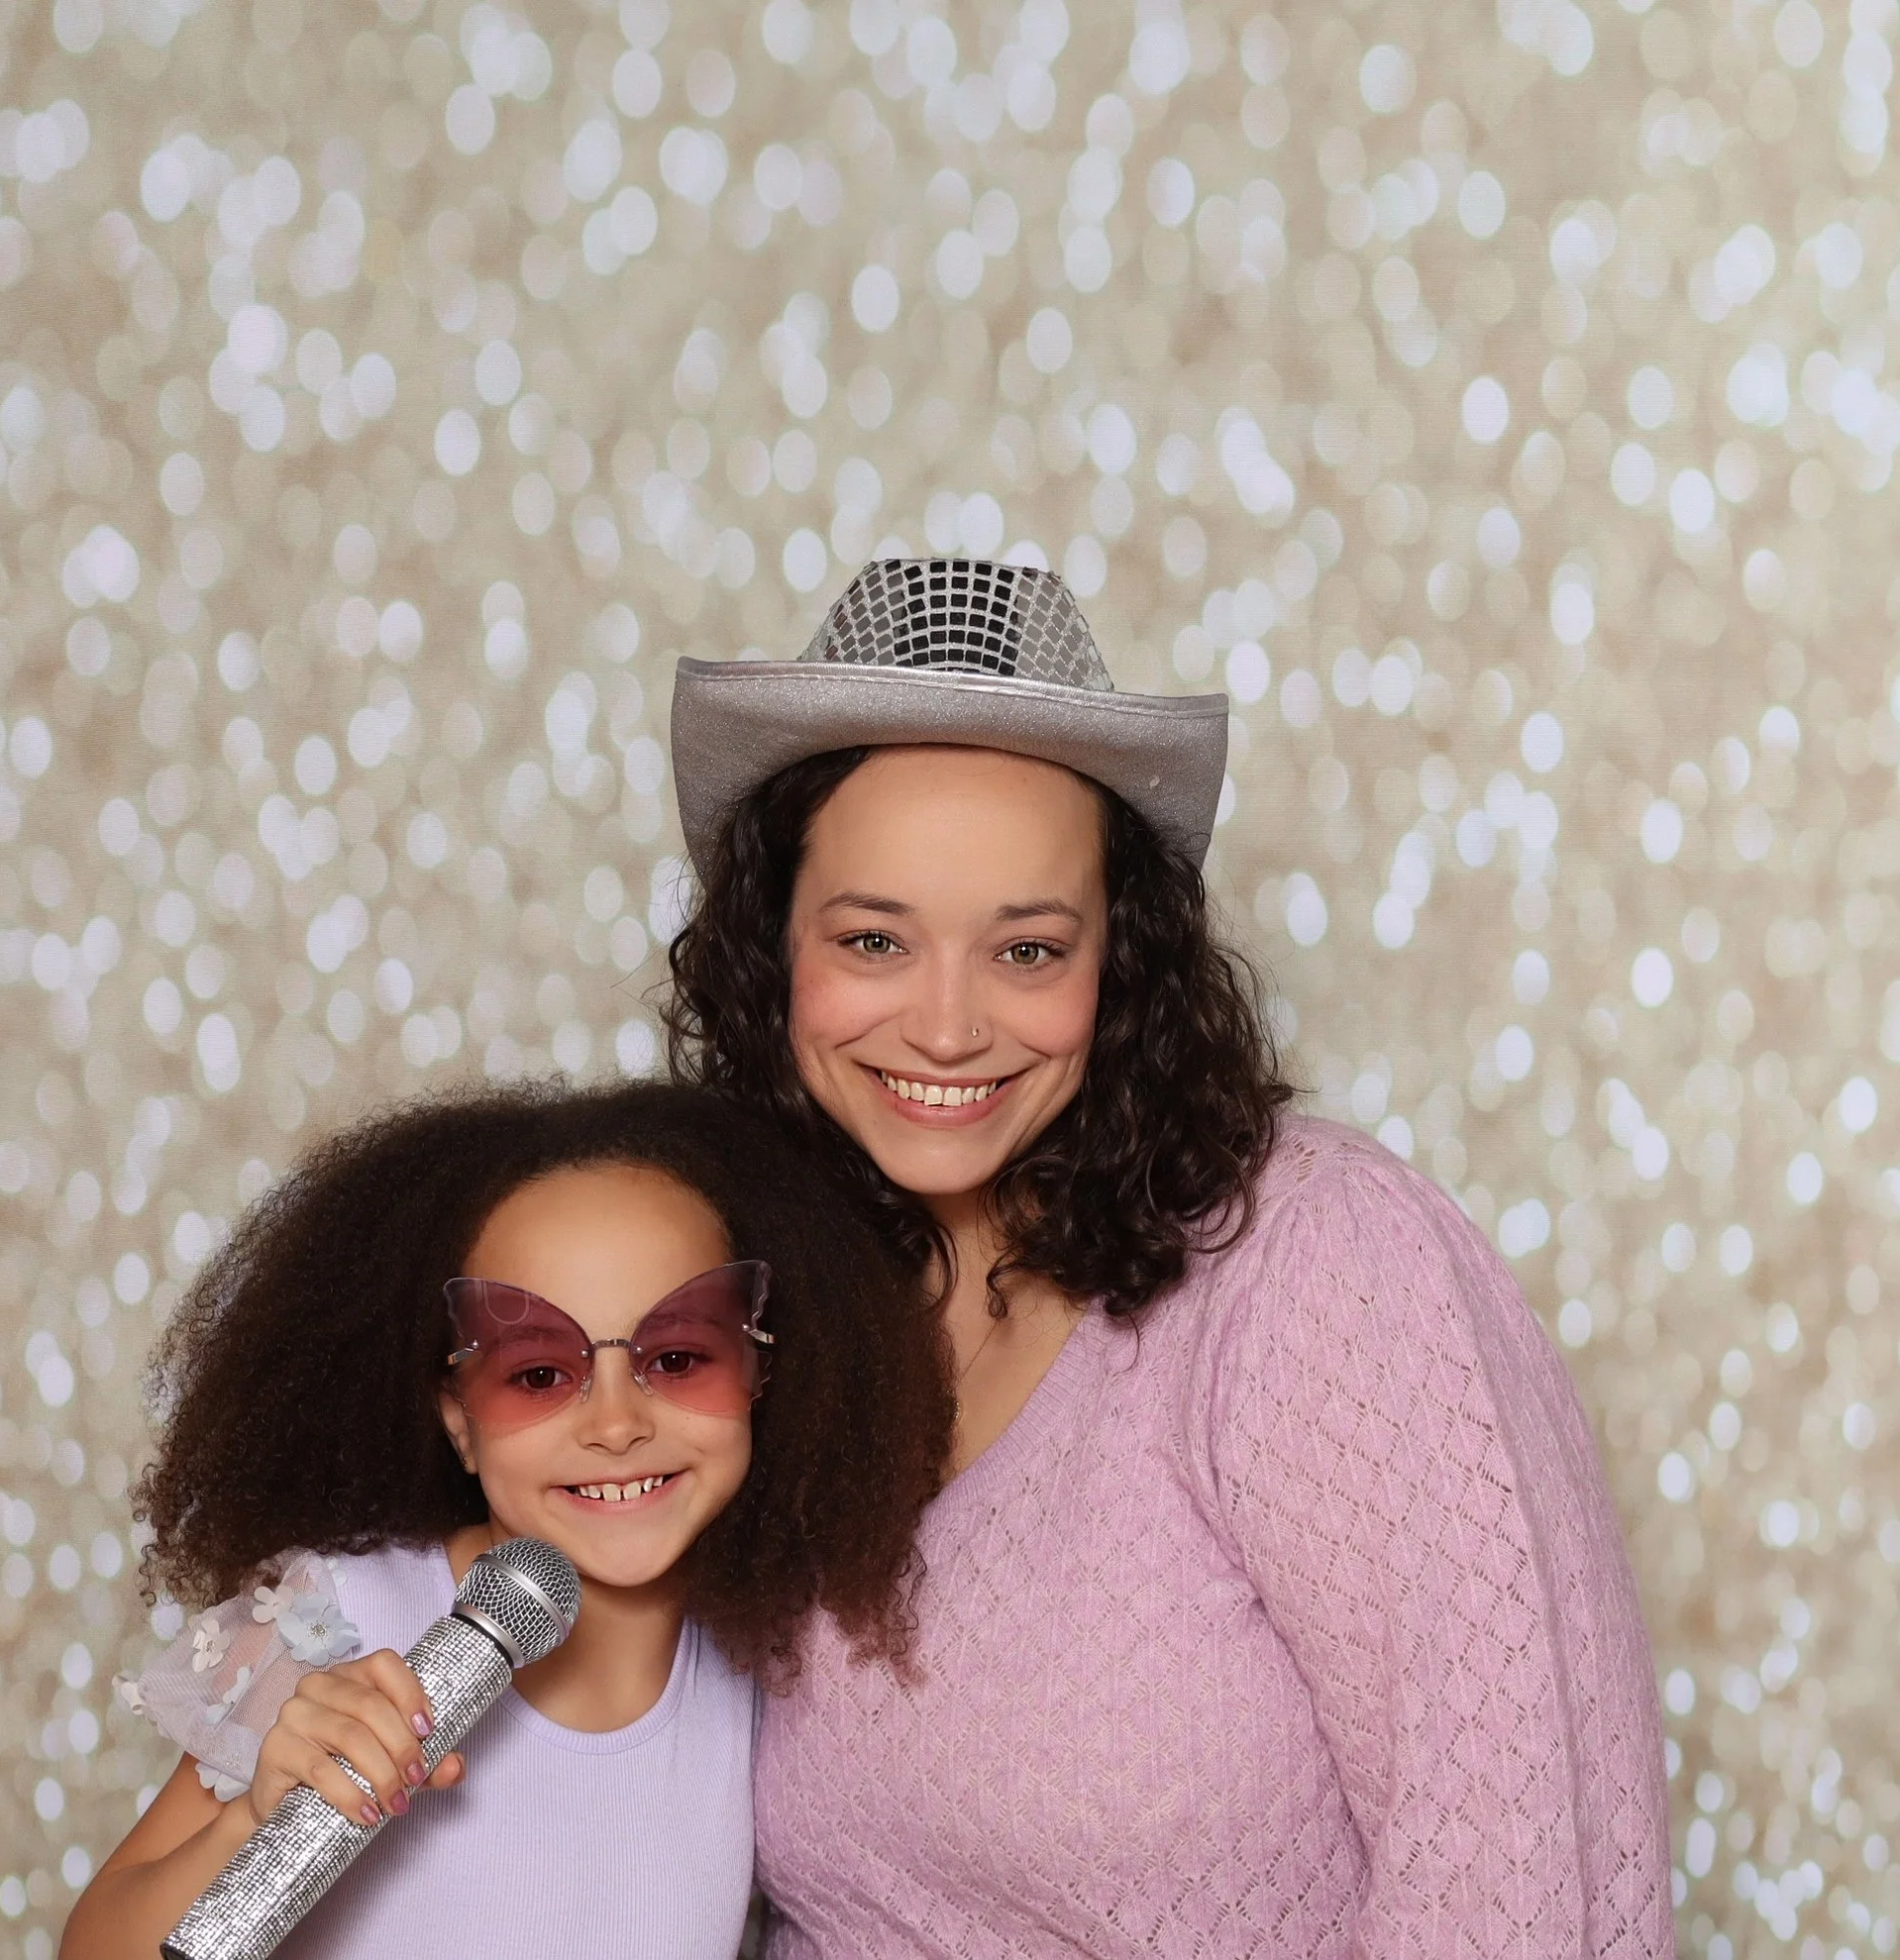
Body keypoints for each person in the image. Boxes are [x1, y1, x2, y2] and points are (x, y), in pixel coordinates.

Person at [664, 557, 1674, 1956]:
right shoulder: (758, 1327)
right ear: (774, 956)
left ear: (1120, 961)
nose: (946, 1026)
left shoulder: (1315, 1263)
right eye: (876, 937)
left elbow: (1525, 1878)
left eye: (1025, 948)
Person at [60, 1082, 950, 1960]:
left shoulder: (754, 1670)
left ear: (760, 1373)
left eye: (677, 1357)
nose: (615, 1424)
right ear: (458, 1417)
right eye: (537, 1374)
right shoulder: (340, 1616)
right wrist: (255, 1821)